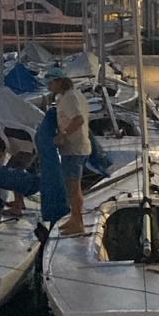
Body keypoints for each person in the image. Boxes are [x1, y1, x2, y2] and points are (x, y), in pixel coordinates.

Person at [46, 67, 90, 236]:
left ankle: (78, 222)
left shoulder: (70, 98)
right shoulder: (72, 95)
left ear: (58, 82)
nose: (49, 87)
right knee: (71, 184)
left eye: (50, 83)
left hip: (75, 148)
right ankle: (74, 218)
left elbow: (78, 119)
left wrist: (63, 134)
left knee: (73, 186)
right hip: (74, 147)